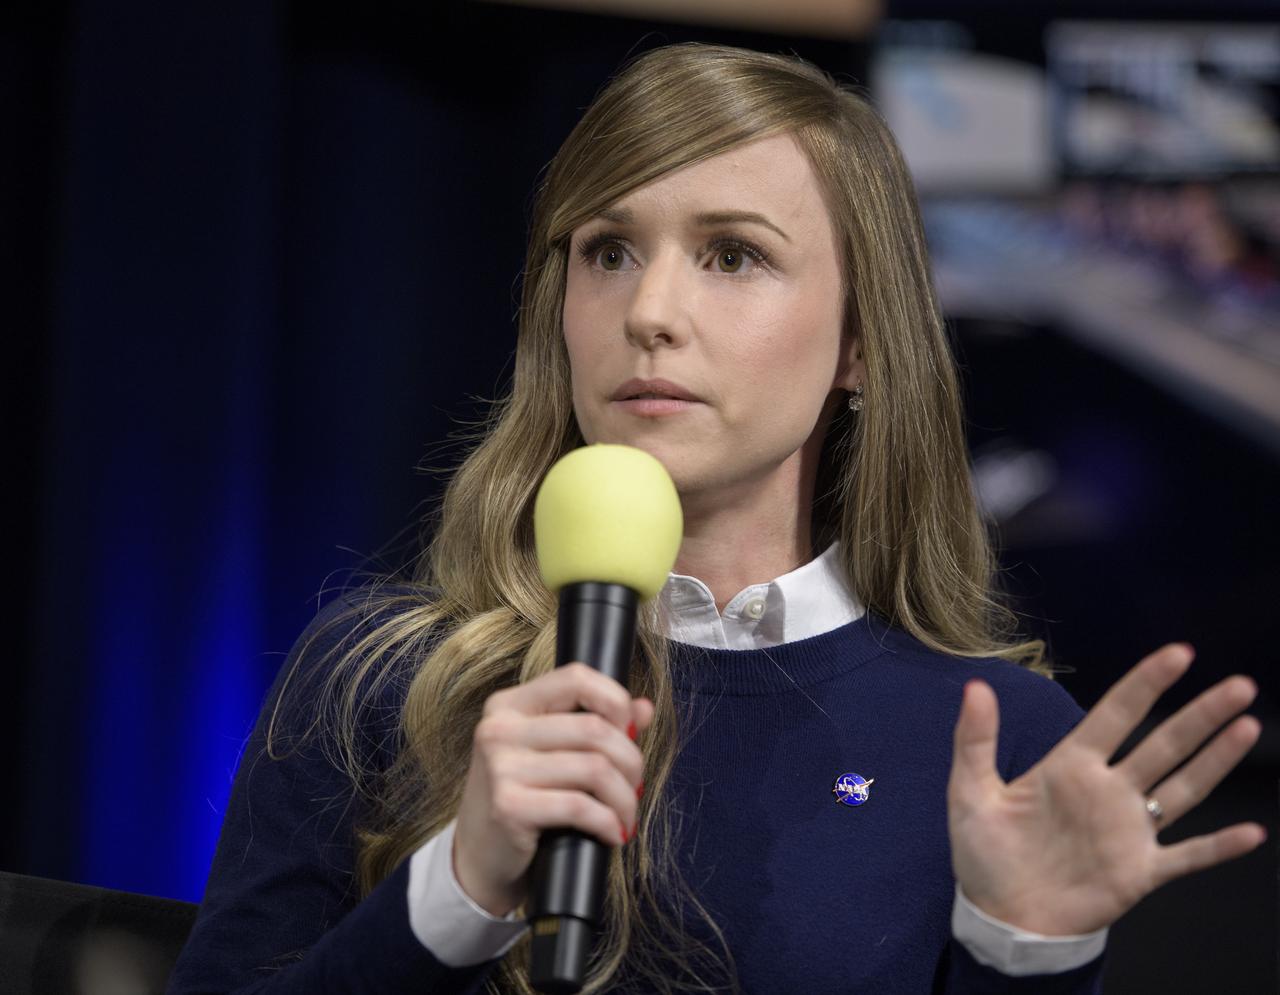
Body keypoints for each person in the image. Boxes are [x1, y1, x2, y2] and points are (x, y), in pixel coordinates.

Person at [167, 42, 1264, 994]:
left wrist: (1025, 951)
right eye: (608, 251)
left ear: (860, 347)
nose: (648, 313)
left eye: (730, 255)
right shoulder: (378, 678)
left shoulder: (994, 736)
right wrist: (454, 890)